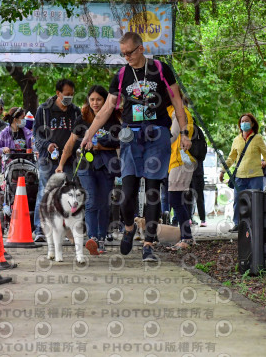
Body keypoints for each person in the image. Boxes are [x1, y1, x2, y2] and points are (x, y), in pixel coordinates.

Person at [80, 32, 191, 262]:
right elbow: (107, 109)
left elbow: (177, 102)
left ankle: (148, 244)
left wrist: (185, 131)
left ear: (141, 49)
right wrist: (89, 134)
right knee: (127, 194)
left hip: (157, 135)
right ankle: (129, 228)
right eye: (123, 54)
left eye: (129, 52)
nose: (126, 57)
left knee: (152, 192)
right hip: (131, 137)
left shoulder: (161, 69)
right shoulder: (121, 75)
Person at [57, 85, 120, 254]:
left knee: (104, 201)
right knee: (91, 199)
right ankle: (92, 238)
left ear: (105, 100)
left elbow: (120, 143)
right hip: (85, 164)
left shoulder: (112, 117)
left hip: (106, 163)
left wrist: (100, 146)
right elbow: (70, 143)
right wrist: (61, 164)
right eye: (92, 99)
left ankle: (101, 238)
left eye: (99, 99)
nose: (95, 103)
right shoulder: (83, 117)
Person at [32, 78, 81, 242]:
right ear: (58, 93)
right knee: (45, 192)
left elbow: (80, 134)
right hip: (48, 159)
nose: (69, 98)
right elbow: (36, 135)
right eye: (66, 94)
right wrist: (47, 145)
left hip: (68, 160)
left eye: (72, 95)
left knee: (67, 195)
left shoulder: (75, 111)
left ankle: (64, 230)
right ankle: (40, 229)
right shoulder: (44, 110)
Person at [219, 113, 266, 231]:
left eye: (247, 121)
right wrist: (223, 170)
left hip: (255, 176)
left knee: (255, 202)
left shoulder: (258, 138)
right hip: (239, 177)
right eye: (242, 121)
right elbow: (231, 158)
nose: (244, 123)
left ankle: (255, 224)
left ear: (252, 123)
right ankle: (238, 224)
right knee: (238, 201)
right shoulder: (236, 140)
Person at [167, 94, 197, 249]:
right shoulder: (179, 111)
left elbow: (171, 137)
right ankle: (186, 236)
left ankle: (186, 237)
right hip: (180, 160)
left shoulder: (178, 112)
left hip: (179, 160)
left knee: (175, 199)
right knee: (178, 199)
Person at [0, 107, 33, 171]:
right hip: (10, 168)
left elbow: (33, 147)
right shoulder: (4, 133)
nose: (24, 120)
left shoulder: (28, 133)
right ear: (15, 120)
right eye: (23, 118)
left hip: (26, 167)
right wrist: (3, 149)